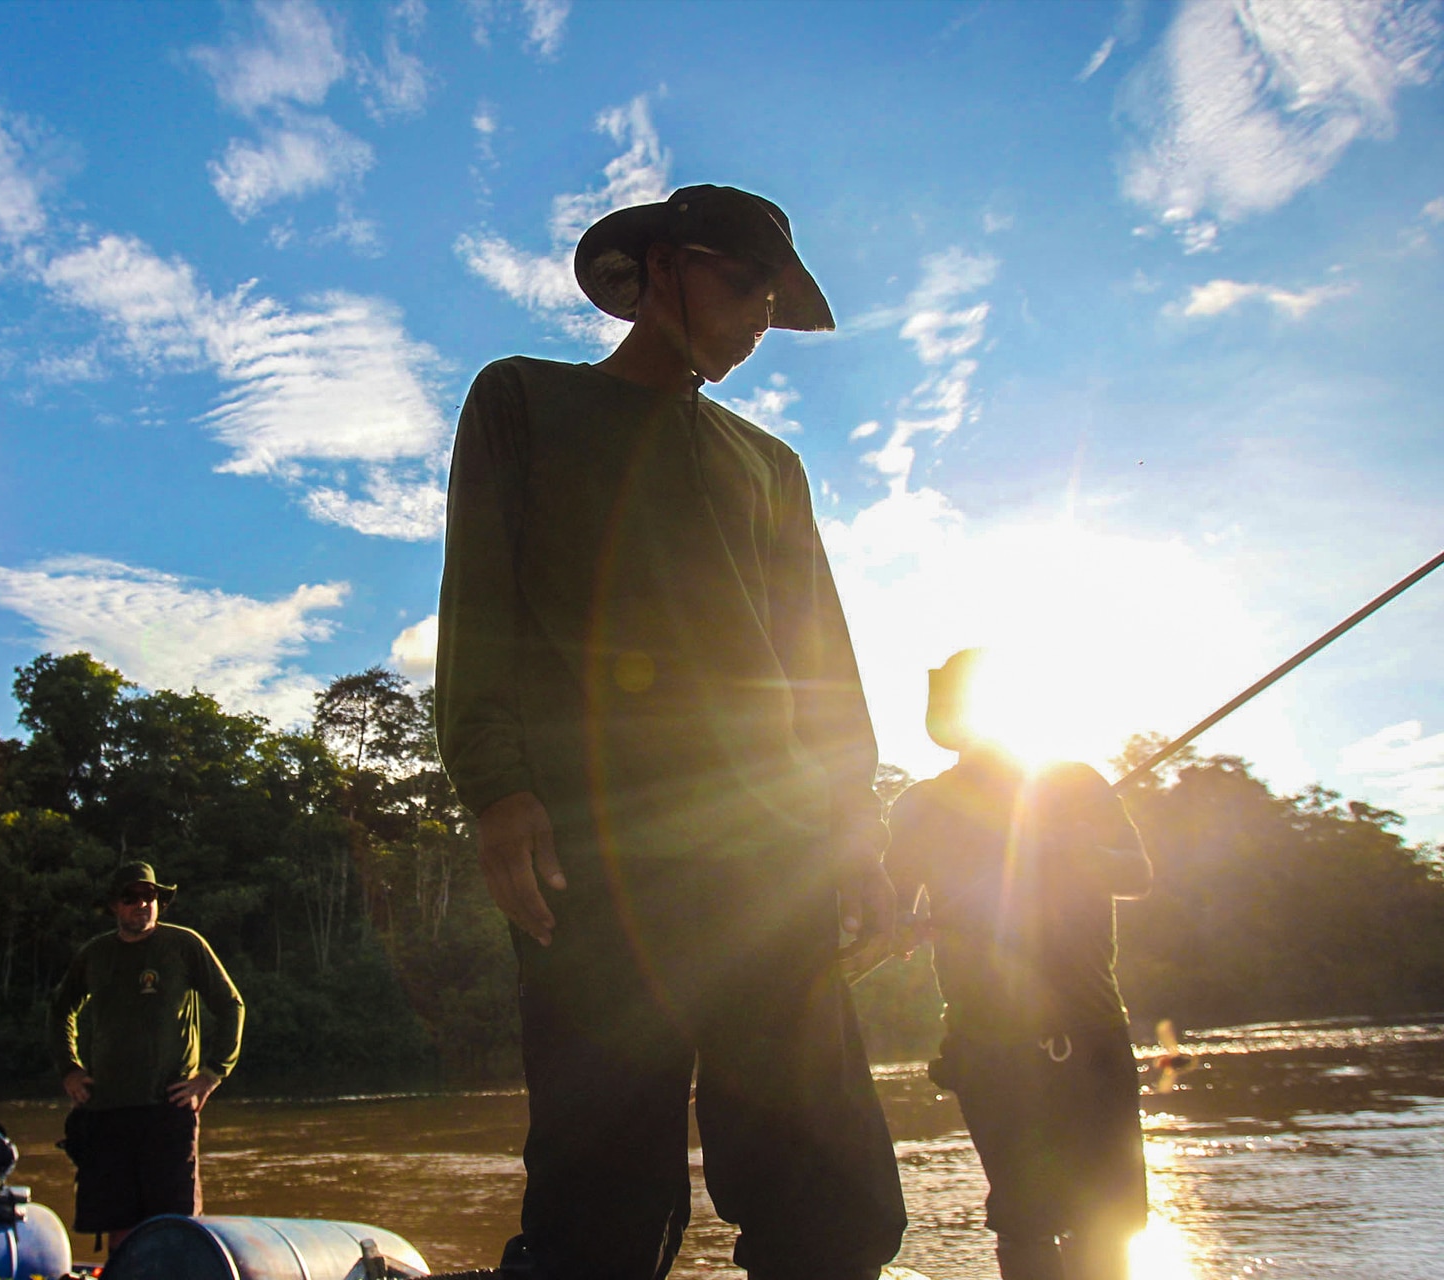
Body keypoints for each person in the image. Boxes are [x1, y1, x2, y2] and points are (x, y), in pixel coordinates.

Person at [435, 184, 906, 1280]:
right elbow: (480, 605)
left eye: (773, 298)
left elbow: (822, 671)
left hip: (774, 862)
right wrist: (497, 788)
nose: (757, 318)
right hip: (597, 854)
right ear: (659, 270)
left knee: (827, 1189)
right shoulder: (521, 401)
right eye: (746, 285)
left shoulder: (769, 466)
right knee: (600, 1195)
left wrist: (858, 837)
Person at [885, 649, 1153, 1280]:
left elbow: (1136, 874)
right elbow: (890, 914)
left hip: (1091, 1030)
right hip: (986, 1039)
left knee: (1107, 1217)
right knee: (1025, 1217)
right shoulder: (920, 806)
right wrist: (903, 925)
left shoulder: (1075, 784)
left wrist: (1062, 843)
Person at [49, 862, 244, 1248]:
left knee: (175, 1222)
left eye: (150, 896)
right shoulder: (95, 954)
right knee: (118, 1220)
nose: (142, 904)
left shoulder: (184, 945)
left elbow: (231, 1005)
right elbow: (60, 1009)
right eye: (131, 897)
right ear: (114, 906)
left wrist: (211, 1074)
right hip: (107, 1107)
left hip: (168, 1106)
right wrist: (70, 1069)